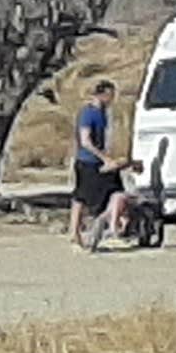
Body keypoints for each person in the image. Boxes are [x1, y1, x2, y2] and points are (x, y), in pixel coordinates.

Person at [69, 75, 120, 249]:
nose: (112, 99)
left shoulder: (103, 113)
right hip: (87, 161)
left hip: (100, 161)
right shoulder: (88, 113)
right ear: (102, 95)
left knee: (113, 191)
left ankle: (107, 225)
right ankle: (74, 231)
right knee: (81, 196)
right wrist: (104, 157)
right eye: (110, 95)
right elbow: (85, 141)